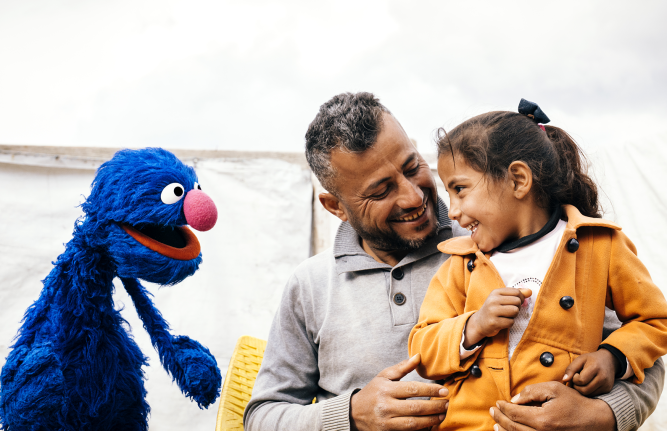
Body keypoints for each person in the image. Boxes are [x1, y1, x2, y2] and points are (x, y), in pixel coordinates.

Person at [244, 93, 665, 431]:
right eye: (381, 190)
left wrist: (600, 416)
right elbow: (261, 417)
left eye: (413, 167)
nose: (412, 196)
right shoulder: (310, 286)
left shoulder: (498, 243)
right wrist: (351, 416)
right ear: (335, 206)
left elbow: (641, 359)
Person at [409, 101, 667, 430]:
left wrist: (613, 358)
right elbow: (421, 346)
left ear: (518, 180)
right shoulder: (460, 264)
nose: (454, 210)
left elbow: (655, 320)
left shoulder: (599, 246)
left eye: (460, 189)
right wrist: (473, 325)